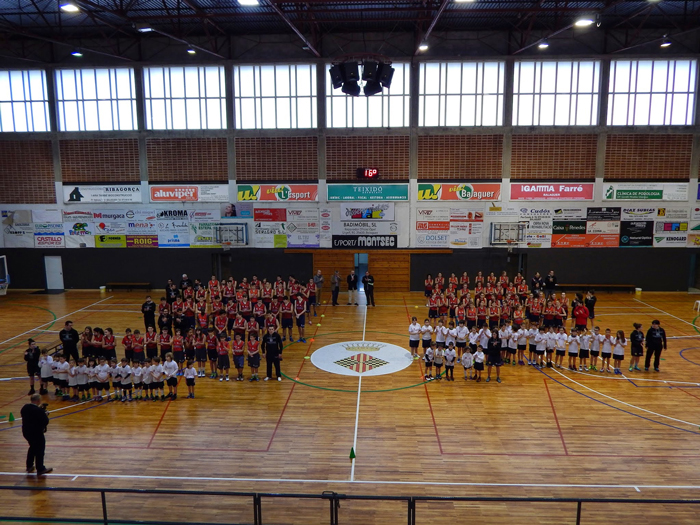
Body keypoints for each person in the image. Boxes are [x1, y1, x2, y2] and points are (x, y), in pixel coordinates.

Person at [21, 394, 51, 475]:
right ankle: (40, 468)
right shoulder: (38, 411)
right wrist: (45, 414)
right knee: (40, 450)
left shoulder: (25, 408)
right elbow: (45, 421)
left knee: (32, 448)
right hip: (36, 433)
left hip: (26, 432)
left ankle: (29, 466)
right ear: (38, 401)